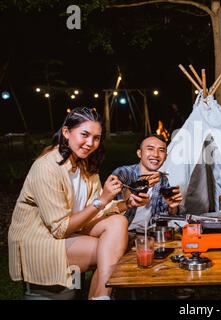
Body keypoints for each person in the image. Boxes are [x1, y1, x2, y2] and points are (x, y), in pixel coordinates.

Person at [8, 107, 149, 300]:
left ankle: (101, 296)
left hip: (72, 231)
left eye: (97, 138)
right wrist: (103, 199)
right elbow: (60, 228)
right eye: (85, 134)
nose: (90, 143)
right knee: (111, 250)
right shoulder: (47, 167)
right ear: (66, 132)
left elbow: (97, 210)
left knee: (119, 223)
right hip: (43, 240)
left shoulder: (85, 165)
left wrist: (127, 203)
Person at [112, 134, 184, 232]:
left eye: (161, 150)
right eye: (150, 149)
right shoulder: (123, 173)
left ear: (165, 157)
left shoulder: (163, 180)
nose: (156, 154)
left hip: (148, 234)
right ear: (139, 153)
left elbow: (164, 216)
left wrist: (173, 207)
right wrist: (142, 185)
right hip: (121, 232)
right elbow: (112, 208)